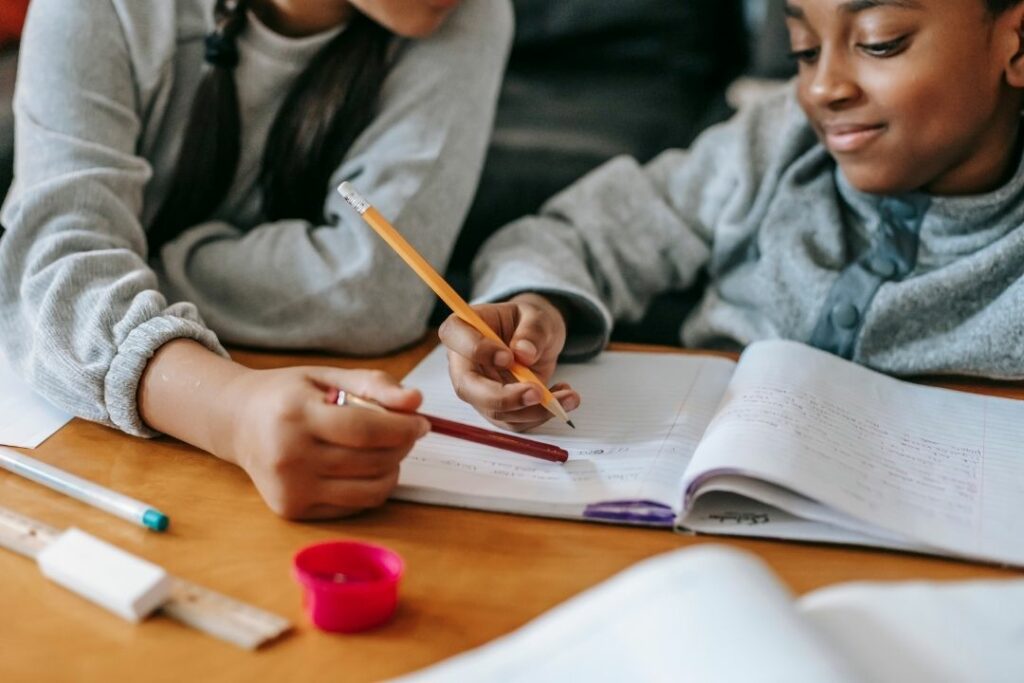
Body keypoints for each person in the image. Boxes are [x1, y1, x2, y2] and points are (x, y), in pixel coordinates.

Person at [0, 0, 512, 519]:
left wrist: (128, 266)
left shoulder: (469, 13)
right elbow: (49, 274)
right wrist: (230, 408)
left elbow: (375, 288)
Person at [439, 0, 1024, 433]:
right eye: (804, 50)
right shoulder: (770, 143)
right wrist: (539, 307)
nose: (822, 88)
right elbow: (570, 234)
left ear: (1016, 43)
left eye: (878, 42)